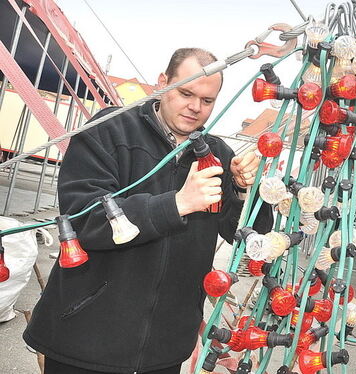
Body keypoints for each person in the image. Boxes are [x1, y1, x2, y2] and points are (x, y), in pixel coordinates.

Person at [24, 48, 273, 374]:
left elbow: (250, 236)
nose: (195, 107)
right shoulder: (110, 130)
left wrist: (244, 190)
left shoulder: (219, 154)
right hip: (85, 338)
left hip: (165, 350)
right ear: (162, 83)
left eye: (207, 100)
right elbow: (82, 218)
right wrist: (177, 203)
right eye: (186, 93)